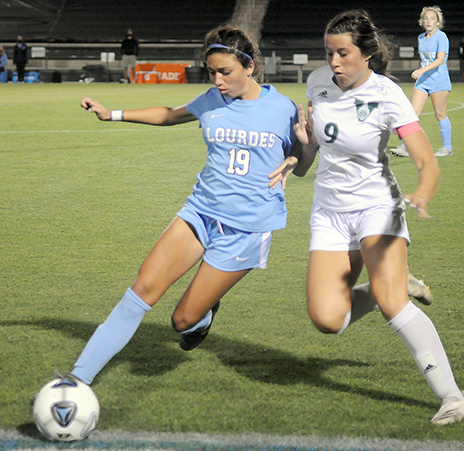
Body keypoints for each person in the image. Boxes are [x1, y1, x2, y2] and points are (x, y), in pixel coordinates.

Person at [55, 25, 302, 388]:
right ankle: (77, 379)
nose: (218, 80)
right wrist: (114, 114)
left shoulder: (283, 109)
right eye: (212, 72)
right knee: (143, 289)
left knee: (182, 321)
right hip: (200, 212)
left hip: (247, 228)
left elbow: (303, 155)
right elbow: (170, 114)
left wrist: (297, 156)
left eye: (225, 72)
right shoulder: (211, 100)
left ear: (249, 67)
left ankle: (202, 315)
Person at [289, 9, 464, 425]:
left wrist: (422, 194)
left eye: (342, 53)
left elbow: (427, 162)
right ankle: (394, 279)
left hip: (377, 206)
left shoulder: (388, 94)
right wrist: (298, 153)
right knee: (327, 320)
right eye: (328, 53)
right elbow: (312, 152)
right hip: (329, 212)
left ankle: (453, 397)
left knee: (392, 304)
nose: (333, 62)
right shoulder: (316, 82)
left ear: (367, 54)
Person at [391, 6, 453, 158]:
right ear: (421, 22)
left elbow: (439, 60)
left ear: (438, 22)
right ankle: (406, 147)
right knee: (411, 114)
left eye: (432, 18)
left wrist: (421, 70)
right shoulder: (420, 38)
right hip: (423, 82)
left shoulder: (441, 37)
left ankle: (447, 147)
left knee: (440, 114)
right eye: (426, 18)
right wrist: (422, 73)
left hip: (438, 81)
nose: (428, 21)